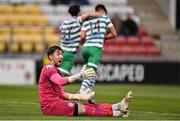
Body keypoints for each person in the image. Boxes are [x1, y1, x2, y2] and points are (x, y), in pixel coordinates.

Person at [38, 45, 134, 117]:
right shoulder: (49, 68)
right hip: (50, 106)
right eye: (58, 54)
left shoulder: (56, 71)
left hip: (55, 103)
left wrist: (78, 96)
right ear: (50, 57)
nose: (61, 57)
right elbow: (61, 81)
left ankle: (117, 106)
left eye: (62, 54)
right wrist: (78, 76)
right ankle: (118, 113)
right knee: (83, 109)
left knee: (89, 106)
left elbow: (61, 94)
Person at [79, 4, 117, 99]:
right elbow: (114, 34)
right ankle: (80, 93)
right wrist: (104, 37)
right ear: (104, 11)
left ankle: (90, 96)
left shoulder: (87, 21)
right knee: (90, 72)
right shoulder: (105, 18)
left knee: (92, 72)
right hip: (95, 48)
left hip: (85, 48)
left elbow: (82, 36)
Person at [59, 4, 102, 76]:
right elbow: (88, 15)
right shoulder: (77, 21)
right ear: (79, 12)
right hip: (69, 53)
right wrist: (100, 14)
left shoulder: (64, 22)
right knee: (63, 76)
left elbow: (61, 34)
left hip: (60, 50)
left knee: (57, 73)